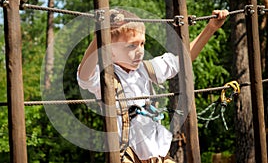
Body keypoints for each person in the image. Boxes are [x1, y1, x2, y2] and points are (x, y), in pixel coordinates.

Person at [77, 9, 228, 163]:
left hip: (158, 155)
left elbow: (181, 61)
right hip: (127, 156)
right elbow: (84, 77)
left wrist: (211, 28)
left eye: (142, 44)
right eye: (131, 46)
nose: (140, 51)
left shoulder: (146, 69)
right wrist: (101, 36)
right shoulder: (106, 77)